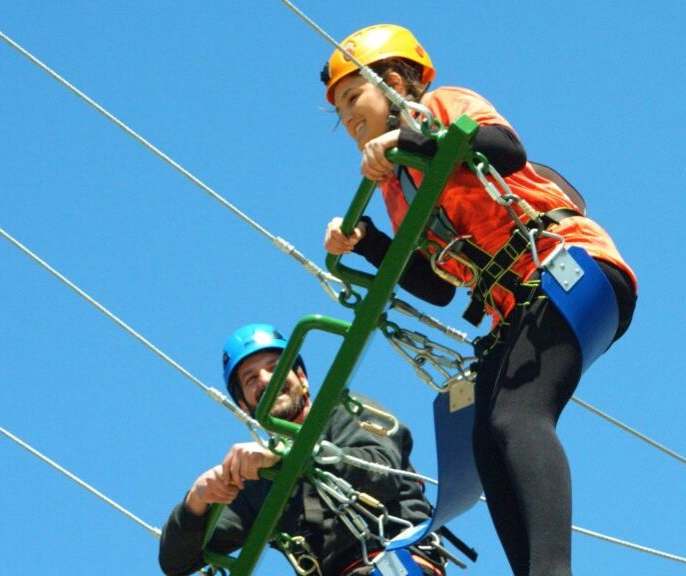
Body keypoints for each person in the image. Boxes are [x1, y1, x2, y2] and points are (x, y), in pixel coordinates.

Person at [321, 24, 637, 576]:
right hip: (516, 306)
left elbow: (504, 150)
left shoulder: (442, 106)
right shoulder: (398, 191)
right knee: (488, 446)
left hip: (567, 268)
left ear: (395, 82)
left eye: (354, 98)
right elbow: (439, 286)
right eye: (340, 111)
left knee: (517, 416)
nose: (348, 118)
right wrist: (370, 242)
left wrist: (409, 140)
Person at [159, 323, 448, 576]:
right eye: (250, 379)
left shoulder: (346, 411)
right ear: (244, 406)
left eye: (275, 367)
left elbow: (378, 474)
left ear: (303, 379)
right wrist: (195, 501)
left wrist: (287, 455)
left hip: (396, 560)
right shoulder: (257, 482)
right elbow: (177, 562)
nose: (266, 380)